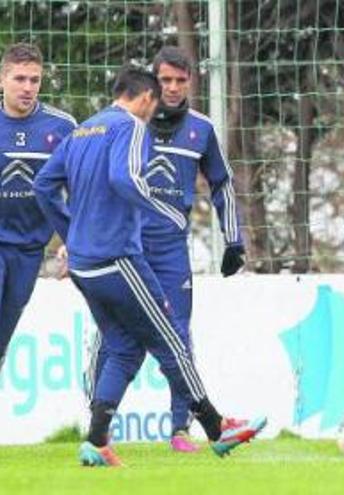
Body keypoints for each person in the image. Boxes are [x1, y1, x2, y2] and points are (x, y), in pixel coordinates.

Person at [33, 66, 264, 467]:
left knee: (124, 347)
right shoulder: (132, 127)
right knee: (171, 339)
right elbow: (125, 180)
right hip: (117, 258)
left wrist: (72, 233)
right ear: (144, 99)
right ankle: (216, 427)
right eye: (154, 103)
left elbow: (42, 185)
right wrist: (165, 210)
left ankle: (97, 440)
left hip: (86, 265)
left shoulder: (84, 129)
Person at [84, 46, 246, 453]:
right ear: (153, 83)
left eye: (180, 80)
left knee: (178, 334)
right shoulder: (126, 126)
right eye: (165, 81)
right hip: (126, 245)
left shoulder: (202, 129)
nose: (172, 88)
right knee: (116, 338)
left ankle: (180, 429)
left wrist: (234, 240)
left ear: (190, 81)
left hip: (172, 250)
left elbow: (222, 184)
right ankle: (98, 427)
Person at [0, 43, 76, 371]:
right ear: (2, 79)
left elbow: (81, 189)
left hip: (29, 249)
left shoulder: (62, 128)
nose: (28, 87)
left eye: (35, 80)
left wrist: (74, 240)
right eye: (19, 79)